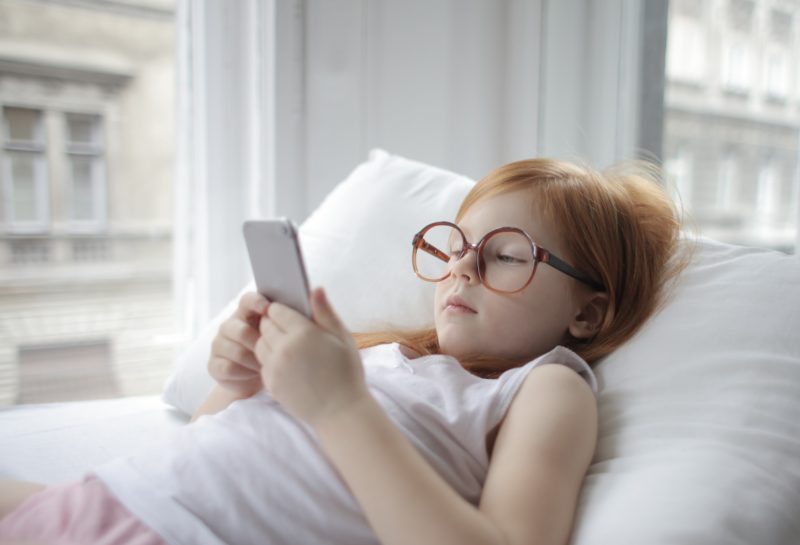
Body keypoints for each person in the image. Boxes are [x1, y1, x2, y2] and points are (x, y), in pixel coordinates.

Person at [0, 157, 684, 545]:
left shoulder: (544, 388)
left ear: (587, 312)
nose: (461, 267)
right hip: (100, 500)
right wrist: (239, 378)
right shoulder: (383, 354)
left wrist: (338, 404)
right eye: (453, 246)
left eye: (506, 255)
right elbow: (214, 448)